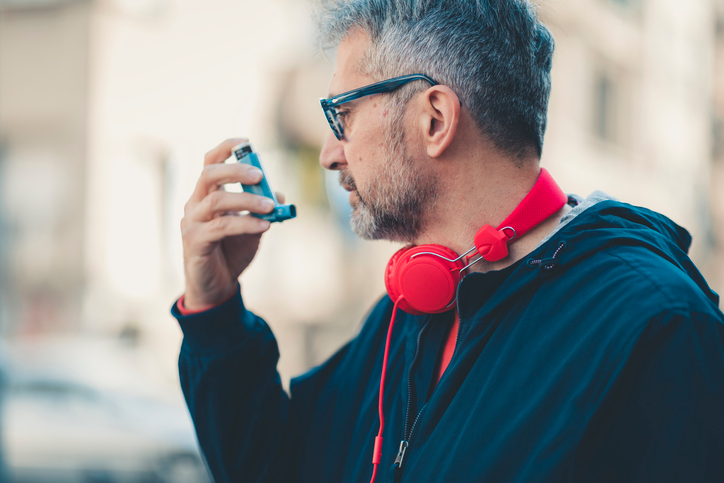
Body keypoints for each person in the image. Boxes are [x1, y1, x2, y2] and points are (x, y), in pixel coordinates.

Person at [172, 0, 724, 482]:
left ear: (434, 118)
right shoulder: (407, 313)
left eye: (343, 117)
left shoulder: (657, 327)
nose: (329, 153)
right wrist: (214, 308)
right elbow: (281, 469)